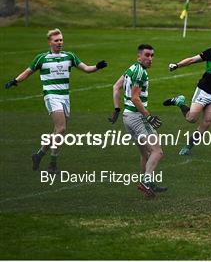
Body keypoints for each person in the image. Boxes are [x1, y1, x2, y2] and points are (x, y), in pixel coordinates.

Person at [5, 29, 107, 174]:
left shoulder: (69, 56)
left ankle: (39, 155)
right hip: (51, 96)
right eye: (56, 40)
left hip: (65, 97)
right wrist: (15, 81)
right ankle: (52, 165)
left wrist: (97, 66)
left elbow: (86, 68)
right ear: (50, 42)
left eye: (61, 40)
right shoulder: (41, 58)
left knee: (57, 132)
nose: (59, 42)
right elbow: (28, 72)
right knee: (61, 129)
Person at [163, 31, 211, 156]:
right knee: (191, 118)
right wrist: (177, 65)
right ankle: (179, 102)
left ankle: (188, 146)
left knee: (207, 123)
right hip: (203, 91)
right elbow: (192, 59)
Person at [109, 44, 167, 197]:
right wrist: (148, 116)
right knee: (157, 151)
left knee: (144, 154)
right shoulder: (141, 73)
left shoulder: (132, 68)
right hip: (137, 117)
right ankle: (146, 182)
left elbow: (116, 87)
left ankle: (149, 187)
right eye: (147, 55)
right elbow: (135, 98)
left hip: (127, 118)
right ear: (139, 56)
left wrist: (116, 109)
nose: (150, 59)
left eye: (152, 55)